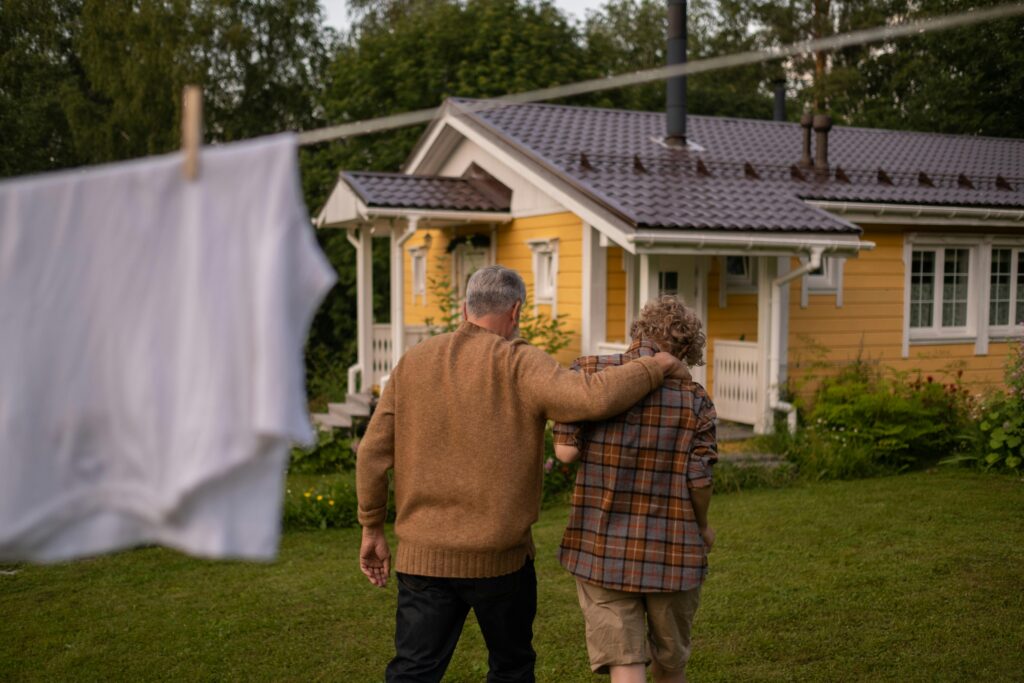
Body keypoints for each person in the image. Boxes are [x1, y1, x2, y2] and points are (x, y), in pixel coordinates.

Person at [356, 265, 686, 683]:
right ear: (515, 312)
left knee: (414, 672)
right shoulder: (519, 362)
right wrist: (655, 366)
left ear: (464, 309)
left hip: (424, 557)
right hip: (502, 562)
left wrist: (372, 528)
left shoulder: (414, 361)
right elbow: (592, 397)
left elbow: (371, 453)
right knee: (511, 669)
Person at [553, 296, 718, 683]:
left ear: (638, 332)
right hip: (673, 550)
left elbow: (564, 453)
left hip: (601, 546)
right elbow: (699, 478)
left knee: (625, 662)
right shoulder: (695, 399)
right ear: (686, 350)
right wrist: (704, 526)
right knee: (670, 661)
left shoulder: (589, 372)